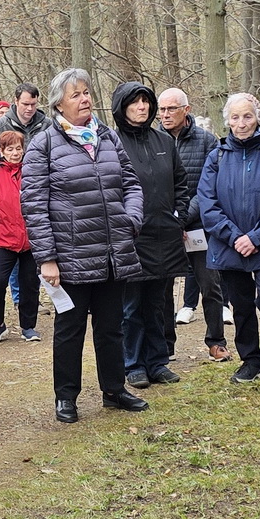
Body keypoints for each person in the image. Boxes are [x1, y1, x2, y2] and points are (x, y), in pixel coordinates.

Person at [22, 67, 148, 423]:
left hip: (112, 252)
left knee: (111, 327)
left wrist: (132, 220)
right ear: (58, 103)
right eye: (76, 94)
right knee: (70, 329)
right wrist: (46, 258)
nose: (86, 99)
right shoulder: (43, 144)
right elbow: (33, 205)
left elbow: (131, 185)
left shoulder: (107, 137)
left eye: (87, 92)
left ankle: (114, 389)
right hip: (71, 255)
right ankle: (67, 397)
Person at [197, 94, 260, 389]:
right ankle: (252, 359)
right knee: (240, 302)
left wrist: (255, 237)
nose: (241, 124)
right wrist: (234, 236)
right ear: (227, 120)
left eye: (248, 117)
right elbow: (207, 203)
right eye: (236, 118)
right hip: (229, 245)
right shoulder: (216, 156)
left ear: (258, 118)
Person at [112, 81, 188, 389]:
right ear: (122, 107)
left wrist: (178, 216)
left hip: (165, 236)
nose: (142, 107)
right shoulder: (111, 143)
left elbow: (180, 183)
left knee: (159, 302)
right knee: (131, 307)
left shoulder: (164, 142)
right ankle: (134, 364)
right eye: (135, 102)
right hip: (131, 238)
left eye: (146, 102)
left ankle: (158, 361)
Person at [161, 87, 229, 360]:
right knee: (164, 290)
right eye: (162, 109)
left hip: (199, 224)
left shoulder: (207, 142)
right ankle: (165, 347)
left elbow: (209, 187)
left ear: (186, 110)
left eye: (171, 109)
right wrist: (169, 220)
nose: (164, 115)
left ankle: (216, 341)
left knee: (210, 285)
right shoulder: (154, 140)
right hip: (165, 227)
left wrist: (184, 216)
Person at [0, 130, 41, 343]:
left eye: (18, 148)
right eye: (10, 149)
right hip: (2, 238)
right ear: (1, 151)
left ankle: (28, 326)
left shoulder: (33, 170)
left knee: (30, 284)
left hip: (30, 239)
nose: (15, 153)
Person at [0, 82, 48, 161]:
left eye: (33, 104)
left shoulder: (48, 125)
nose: (30, 108)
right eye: (25, 104)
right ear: (16, 101)